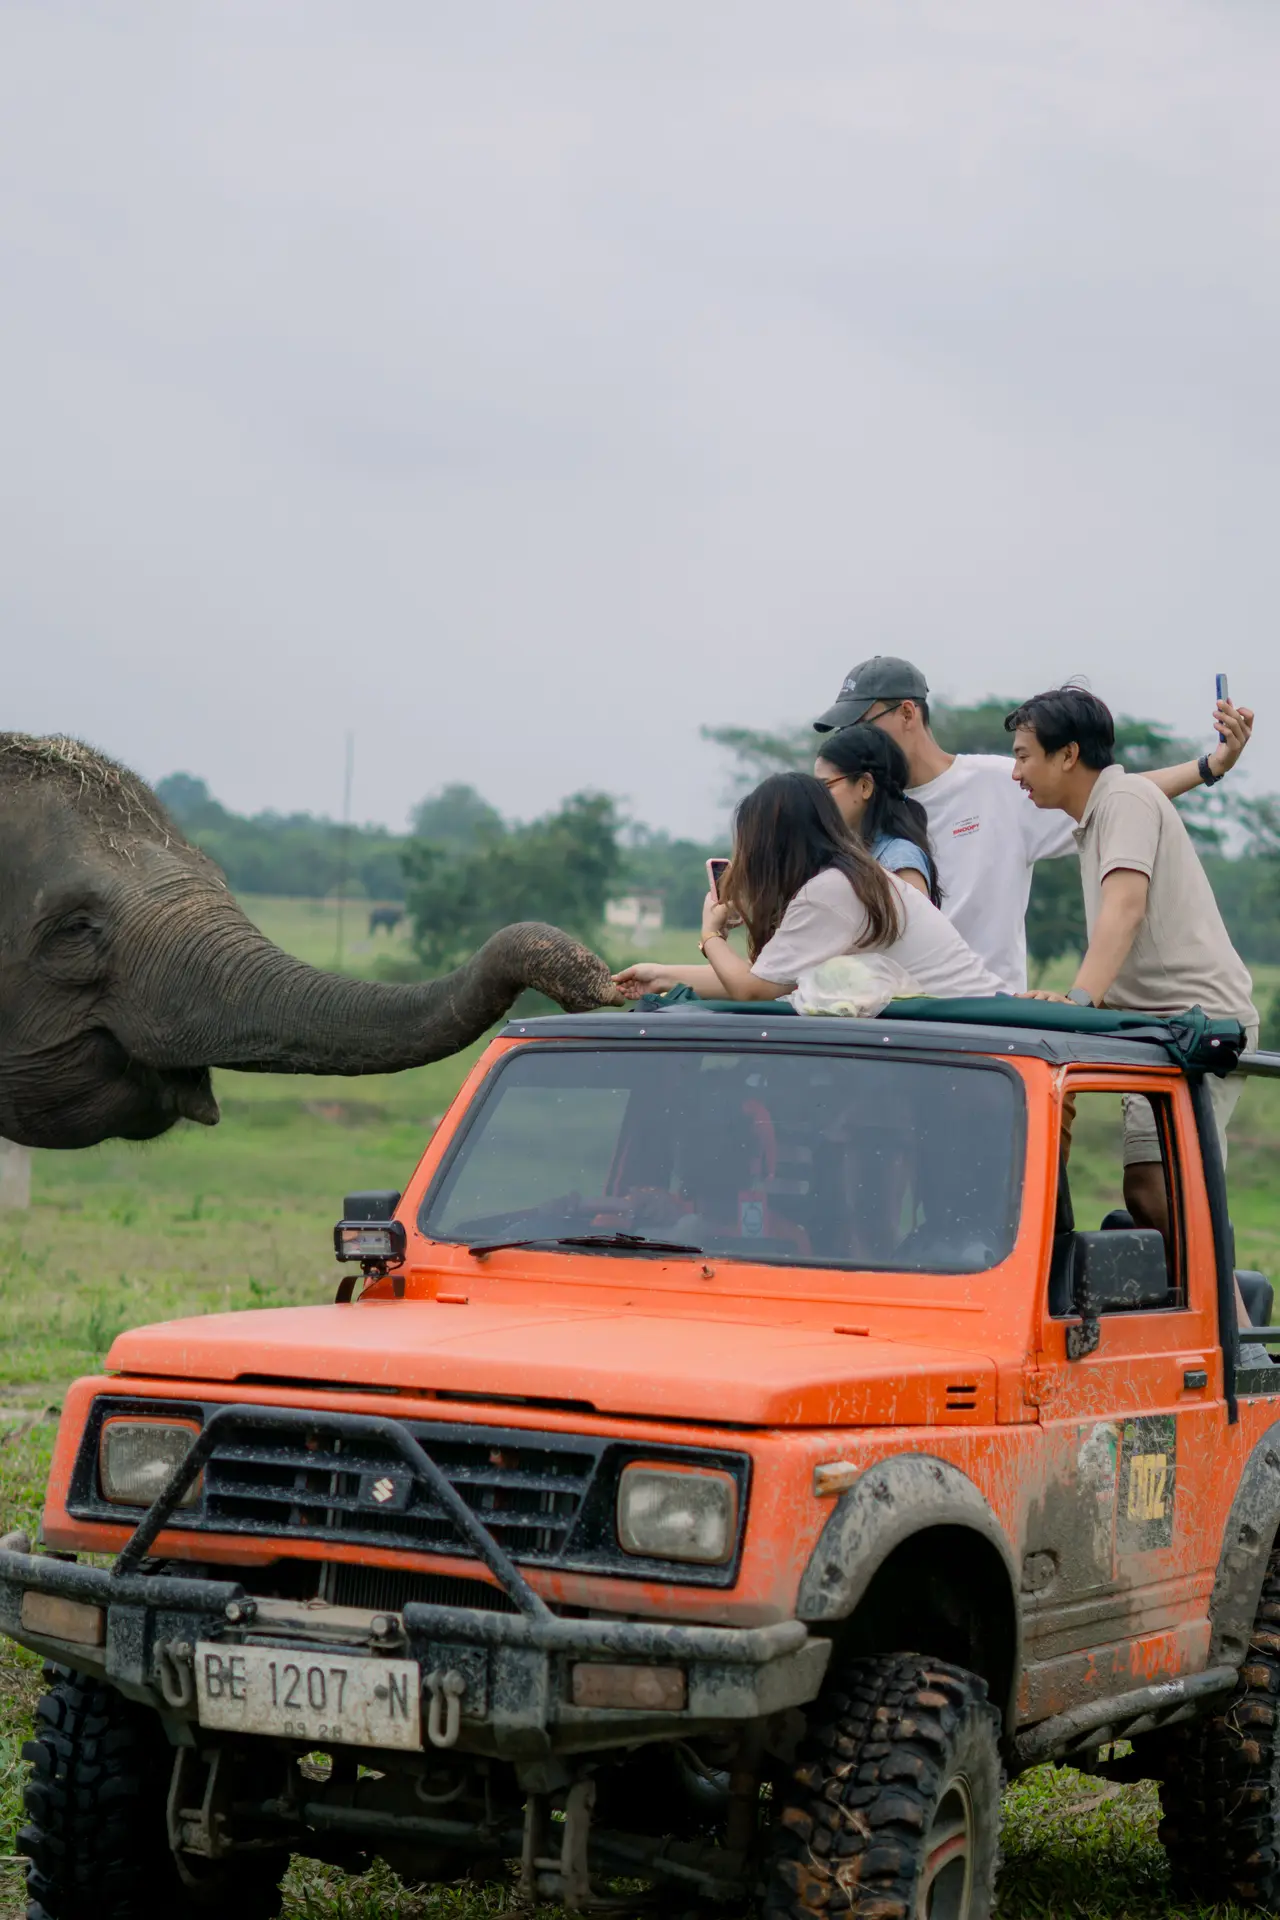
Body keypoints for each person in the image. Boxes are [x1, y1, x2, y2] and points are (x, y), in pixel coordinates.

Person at [813, 655, 1254, 994]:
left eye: (860, 723)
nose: (851, 739)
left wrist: (1209, 765)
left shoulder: (1000, 784)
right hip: (893, 1021)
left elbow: (1113, 792)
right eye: (841, 731)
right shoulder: (857, 806)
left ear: (908, 713)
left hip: (991, 1023)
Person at [1006, 685, 1259, 1241]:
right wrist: (1211, 765)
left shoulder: (1122, 803)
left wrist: (1075, 1004)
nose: (1016, 773)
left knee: (1169, 1193)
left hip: (1197, 1023)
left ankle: (1229, 1324)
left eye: (1024, 756)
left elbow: (1125, 908)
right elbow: (1147, 790)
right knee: (1151, 1194)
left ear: (1067, 755)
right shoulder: (1109, 804)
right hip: (1150, 1027)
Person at [613, 772, 1003, 1005]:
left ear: (771, 844)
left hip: (972, 1029)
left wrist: (711, 934)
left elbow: (753, 990)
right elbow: (770, 976)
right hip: (971, 1023)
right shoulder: (849, 879)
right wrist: (660, 976)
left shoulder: (831, 892)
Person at [813, 724, 942, 905]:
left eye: (826, 786)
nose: (818, 797)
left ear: (865, 786)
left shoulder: (900, 860)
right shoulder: (845, 854)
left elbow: (918, 931)